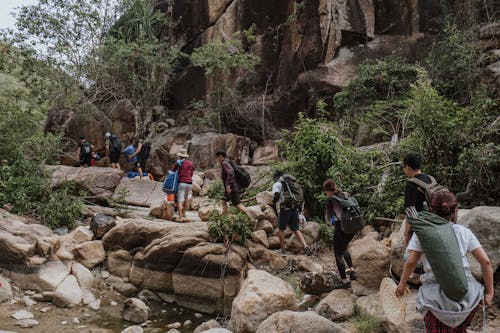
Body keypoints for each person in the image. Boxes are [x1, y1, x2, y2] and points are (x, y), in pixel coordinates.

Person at [395, 191, 494, 332]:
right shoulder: (463, 231)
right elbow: (486, 262)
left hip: (436, 300)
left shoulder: (423, 233)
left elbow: (411, 262)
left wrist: (402, 284)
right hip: (467, 296)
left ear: (430, 210)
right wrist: (489, 293)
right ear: (454, 211)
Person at [323, 178, 357, 288]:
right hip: (353, 226)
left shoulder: (330, 199)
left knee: (337, 253)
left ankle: (344, 281)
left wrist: (328, 223)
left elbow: (328, 218)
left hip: (341, 227)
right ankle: (352, 271)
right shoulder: (345, 194)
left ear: (327, 190)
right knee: (344, 247)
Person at [272, 170, 312, 256]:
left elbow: (276, 195)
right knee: (296, 229)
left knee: (281, 230)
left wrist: (274, 202)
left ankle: (282, 250)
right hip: (294, 209)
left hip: (285, 210)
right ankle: (305, 245)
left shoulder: (277, 184)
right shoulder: (291, 184)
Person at [215, 150, 254, 222]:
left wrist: (228, 185)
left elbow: (230, 173)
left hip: (232, 187)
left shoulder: (224, 163)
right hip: (232, 187)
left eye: (217, 157)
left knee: (238, 204)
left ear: (220, 156)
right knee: (223, 201)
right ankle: (226, 218)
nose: (216, 159)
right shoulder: (229, 161)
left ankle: (252, 218)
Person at [403, 153, 432, 245]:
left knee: (411, 257)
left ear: (407, 167)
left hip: (420, 225)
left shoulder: (411, 184)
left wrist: (406, 232)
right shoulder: (430, 179)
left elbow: (410, 210)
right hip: (434, 220)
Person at [172, 148, 194, 222]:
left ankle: (180, 217)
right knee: (186, 198)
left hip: (182, 183)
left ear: (180, 156)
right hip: (190, 183)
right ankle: (184, 213)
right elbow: (191, 174)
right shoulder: (190, 163)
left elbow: (173, 171)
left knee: (180, 200)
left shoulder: (178, 162)